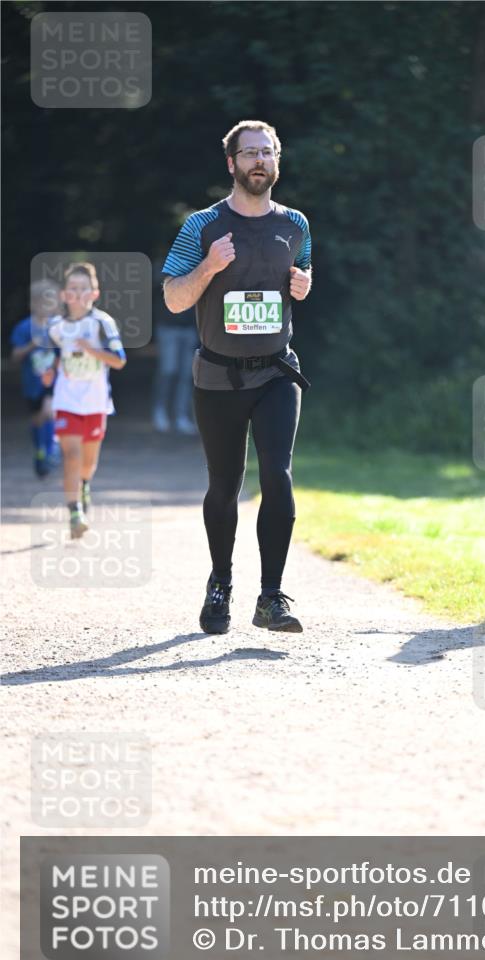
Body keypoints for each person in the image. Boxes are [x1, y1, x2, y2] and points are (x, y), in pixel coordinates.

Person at [161, 119, 312, 634]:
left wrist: (303, 285)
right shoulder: (202, 225)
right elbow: (174, 297)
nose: (259, 162)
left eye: (267, 152)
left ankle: (271, 597)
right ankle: (220, 583)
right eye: (249, 153)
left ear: (277, 161)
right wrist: (207, 267)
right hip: (218, 376)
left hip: (276, 372)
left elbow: (301, 278)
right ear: (231, 163)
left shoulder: (296, 224)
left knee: (278, 475)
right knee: (224, 486)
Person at [42, 262, 127, 539]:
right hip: (66, 400)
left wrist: (92, 350)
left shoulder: (102, 323)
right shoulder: (55, 326)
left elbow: (119, 361)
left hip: (95, 401)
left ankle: (85, 484)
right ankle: (74, 512)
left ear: (94, 293)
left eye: (83, 289)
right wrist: (50, 369)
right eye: (73, 289)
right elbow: (53, 354)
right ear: (65, 294)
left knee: (87, 463)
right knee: (71, 456)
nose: (78, 293)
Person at [10, 280, 61, 477]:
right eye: (43, 303)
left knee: (50, 412)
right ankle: (40, 450)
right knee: (38, 418)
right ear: (33, 304)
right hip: (32, 383)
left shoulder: (57, 327)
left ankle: (51, 450)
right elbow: (15, 356)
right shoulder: (24, 328)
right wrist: (31, 345)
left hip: (54, 381)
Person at [151, 282, 198, 434]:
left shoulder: (201, 266)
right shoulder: (166, 268)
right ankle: (160, 412)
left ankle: (181, 416)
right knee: (168, 371)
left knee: (186, 374)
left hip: (190, 328)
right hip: (168, 326)